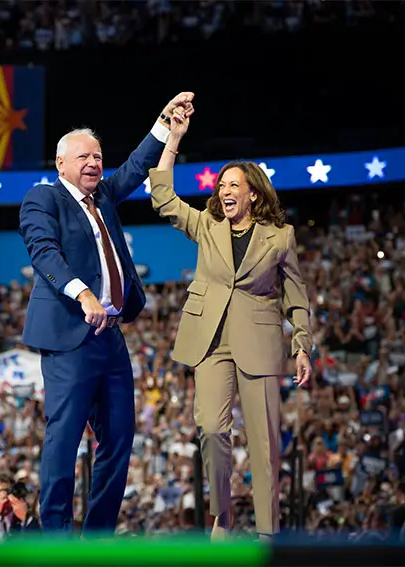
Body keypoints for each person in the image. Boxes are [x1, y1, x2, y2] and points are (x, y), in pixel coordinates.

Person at [18, 92, 195, 536]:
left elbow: (136, 166)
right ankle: (56, 538)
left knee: (118, 441)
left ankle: (96, 537)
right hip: (70, 336)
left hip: (111, 337)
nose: (94, 163)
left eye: (97, 156)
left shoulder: (105, 198)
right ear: (61, 164)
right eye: (83, 157)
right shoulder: (43, 199)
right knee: (65, 437)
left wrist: (164, 122)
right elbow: (44, 252)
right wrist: (82, 294)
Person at [148, 106, 312, 541]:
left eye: (233, 185)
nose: (225, 191)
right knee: (211, 430)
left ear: (253, 194)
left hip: (259, 343)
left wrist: (302, 345)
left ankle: (267, 533)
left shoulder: (281, 237)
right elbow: (162, 196)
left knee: (264, 446)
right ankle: (222, 514)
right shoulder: (207, 226)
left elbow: (296, 296)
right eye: (221, 186)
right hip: (210, 343)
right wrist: (173, 139)